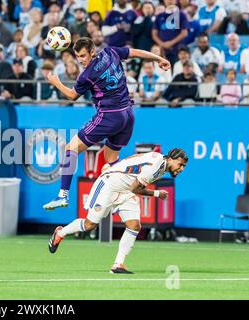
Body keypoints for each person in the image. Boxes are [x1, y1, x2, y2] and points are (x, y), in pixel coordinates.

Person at [43, 37, 171, 210]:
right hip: (128, 115)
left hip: (109, 116)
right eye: (78, 56)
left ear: (92, 52)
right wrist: (159, 58)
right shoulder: (111, 52)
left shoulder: (87, 75)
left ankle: (62, 196)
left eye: (83, 56)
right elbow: (135, 53)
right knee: (111, 160)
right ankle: (122, 195)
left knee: (71, 148)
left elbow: (72, 96)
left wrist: (56, 83)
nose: (80, 60)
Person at [48, 148, 188, 274]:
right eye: (180, 164)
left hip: (125, 190)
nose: (181, 169)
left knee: (134, 225)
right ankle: (60, 232)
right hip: (109, 185)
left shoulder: (159, 159)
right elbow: (136, 188)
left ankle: (118, 264)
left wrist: (117, 165)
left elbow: (135, 157)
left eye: (183, 166)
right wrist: (157, 194)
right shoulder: (156, 166)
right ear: (171, 158)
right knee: (90, 225)